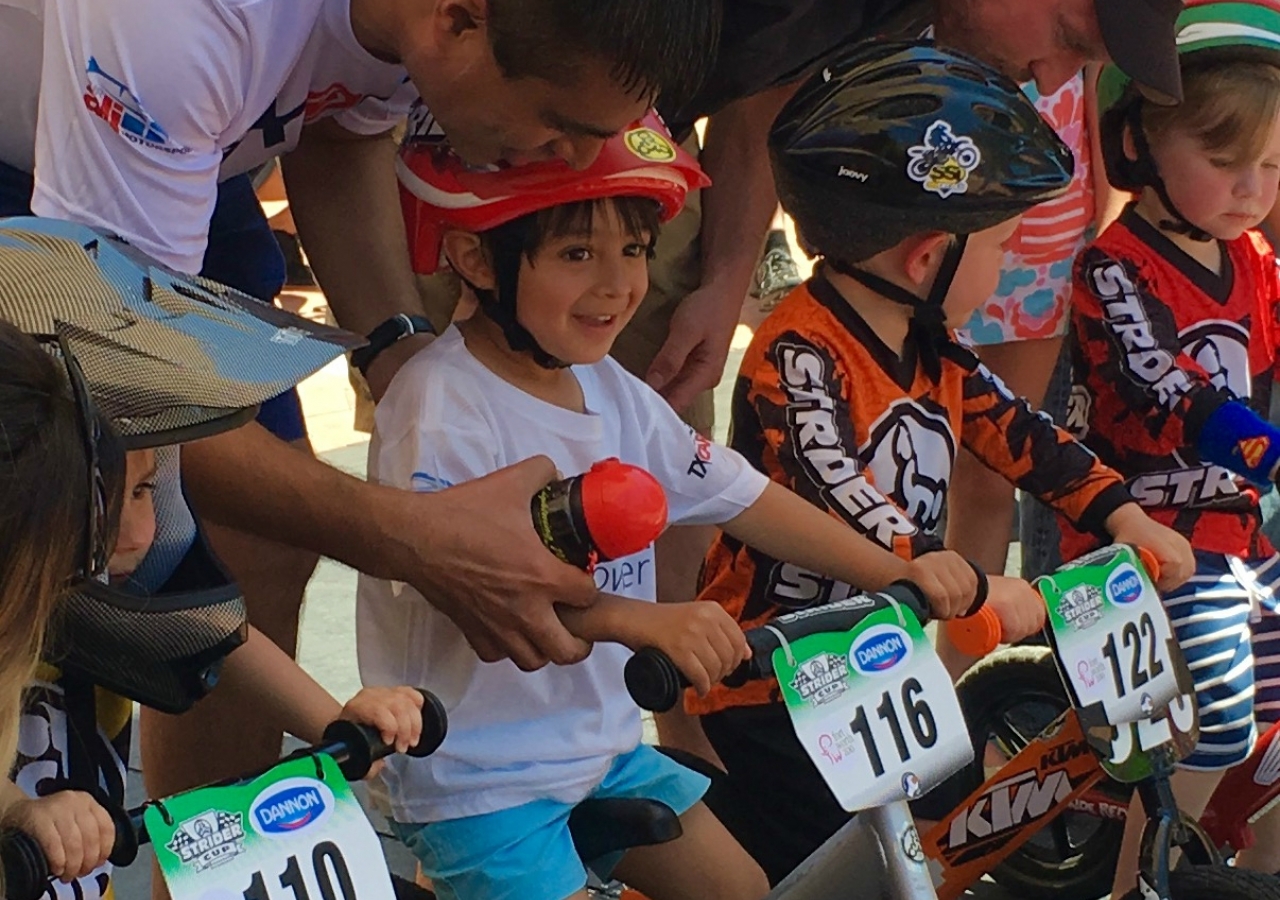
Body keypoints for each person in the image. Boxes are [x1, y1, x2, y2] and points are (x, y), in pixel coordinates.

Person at [0, 0, 725, 808]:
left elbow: (339, 131)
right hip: (61, 158)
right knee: (79, 529)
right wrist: (412, 538)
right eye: (560, 124)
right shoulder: (177, 25)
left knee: (255, 544)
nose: (579, 158)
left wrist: (421, 378)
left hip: (178, 139)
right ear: (457, 20)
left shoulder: (414, 25)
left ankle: (206, 872)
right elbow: (118, 375)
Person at [365, 113, 1002, 900]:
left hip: (603, 752)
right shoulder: (443, 405)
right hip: (482, 779)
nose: (618, 284)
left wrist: (904, 571)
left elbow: (744, 496)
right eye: (576, 253)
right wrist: (641, 621)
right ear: (474, 257)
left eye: (634, 250)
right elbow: (470, 587)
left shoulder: (609, 389)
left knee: (745, 889)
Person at [680, 41, 1197, 886]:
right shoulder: (800, 350)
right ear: (927, 257)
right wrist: (945, 567)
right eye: (998, 244)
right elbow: (830, 481)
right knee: (850, 872)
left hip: (884, 659)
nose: (1003, 267)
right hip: (773, 678)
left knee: (947, 835)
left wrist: (1120, 514)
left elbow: (1027, 435)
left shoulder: (934, 348)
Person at [0, 221, 427, 897]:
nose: (141, 531)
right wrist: (19, 808)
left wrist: (333, 723)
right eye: (112, 499)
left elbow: (207, 633)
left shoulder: (106, 564)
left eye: (151, 489)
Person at [1062, 1, 1280, 891]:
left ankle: (1258, 872)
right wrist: (1259, 445)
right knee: (1212, 726)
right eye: (1226, 162)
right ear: (1137, 148)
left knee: (1273, 723)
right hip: (1143, 543)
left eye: (1270, 164)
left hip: (1234, 532)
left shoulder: (1256, 259)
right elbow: (1161, 379)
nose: (1251, 188)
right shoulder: (1116, 266)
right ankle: (1138, 887)